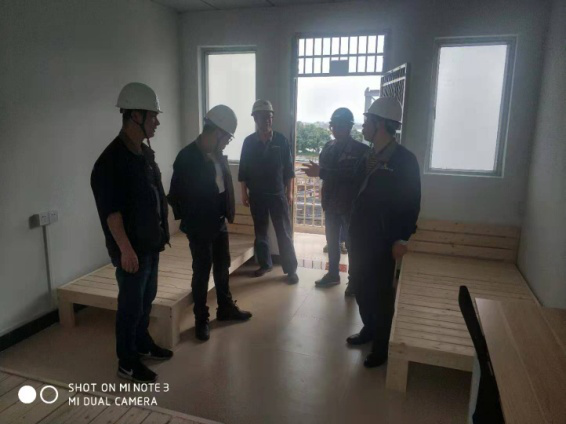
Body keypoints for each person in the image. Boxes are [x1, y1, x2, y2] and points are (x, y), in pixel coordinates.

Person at [91, 82, 172, 383]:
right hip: (132, 249)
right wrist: (125, 249)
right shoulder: (111, 161)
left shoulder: (143, 154)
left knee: (146, 299)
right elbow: (111, 213)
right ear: (135, 116)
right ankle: (126, 362)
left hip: (150, 243)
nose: (157, 122)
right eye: (153, 116)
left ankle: (142, 343)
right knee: (130, 305)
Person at [346, 97, 421, 368]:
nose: (363, 125)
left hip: (384, 239)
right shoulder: (368, 156)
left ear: (379, 124)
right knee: (360, 286)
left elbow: (412, 203)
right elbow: (354, 187)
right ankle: (369, 328)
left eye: (367, 121)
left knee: (380, 293)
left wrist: (402, 238)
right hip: (359, 235)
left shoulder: (404, 161)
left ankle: (381, 345)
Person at [168, 105, 252, 342]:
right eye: (226, 138)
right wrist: (192, 221)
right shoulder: (186, 157)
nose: (227, 143)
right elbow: (175, 195)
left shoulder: (216, 155)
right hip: (199, 225)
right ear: (216, 133)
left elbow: (221, 187)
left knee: (222, 266)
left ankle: (225, 308)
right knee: (202, 271)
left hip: (218, 221)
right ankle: (201, 319)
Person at [302, 108, 368, 292]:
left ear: (349, 127)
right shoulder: (328, 147)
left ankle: (354, 281)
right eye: (333, 125)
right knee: (332, 242)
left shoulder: (361, 151)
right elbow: (326, 173)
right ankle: (333, 274)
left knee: (352, 245)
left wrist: (321, 172)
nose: (336, 129)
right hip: (331, 204)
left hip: (350, 206)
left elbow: (353, 176)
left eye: (340, 125)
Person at [239, 100, 299, 284]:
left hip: (278, 195)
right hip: (257, 195)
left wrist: (289, 192)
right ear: (255, 118)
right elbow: (243, 170)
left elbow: (289, 170)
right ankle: (265, 264)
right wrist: (244, 193)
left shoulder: (281, 141)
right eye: (262, 117)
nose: (266, 120)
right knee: (260, 232)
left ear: (272, 118)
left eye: (269, 117)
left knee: (284, 233)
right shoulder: (249, 142)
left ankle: (291, 270)